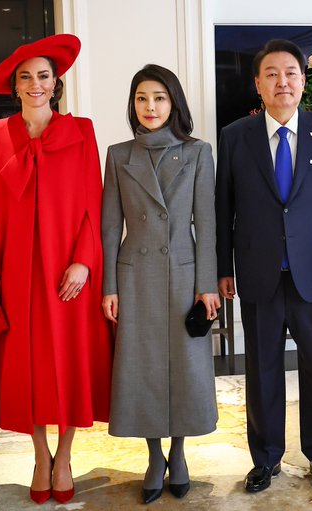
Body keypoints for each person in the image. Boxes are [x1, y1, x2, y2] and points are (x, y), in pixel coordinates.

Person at [0, 34, 113, 505]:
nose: (36, 84)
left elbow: (95, 203)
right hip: (16, 274)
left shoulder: (83, 131)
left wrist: (85, 262)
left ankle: (66, 454)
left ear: (57, 82)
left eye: (44, 76)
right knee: (26, 367)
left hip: (68, 274)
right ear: (16, 86)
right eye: (26, 77)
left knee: (71, 361)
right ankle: (38, 455)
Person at [215, 39, 312, 494]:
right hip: (258, 271)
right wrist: (223, 268)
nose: (283, 81)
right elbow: (224, 208)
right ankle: (265, 458)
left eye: (291, 73)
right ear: (257, 84)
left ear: (303, 81)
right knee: (261, 368)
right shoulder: (235, 135)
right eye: (272, 74)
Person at [101, 64, 220, 504]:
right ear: (133, 105)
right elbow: (110, 227)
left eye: (159, 98)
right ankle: (154, 455)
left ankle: (181, 450)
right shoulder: (117, 154)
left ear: (174, 103)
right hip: (135, 276)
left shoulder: (197, 152)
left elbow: (206, 223)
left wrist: (206, 283)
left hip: (185, 275)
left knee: (186, 368)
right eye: (141, 98)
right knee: (141, 367)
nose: (150, 107)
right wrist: (109, 286)